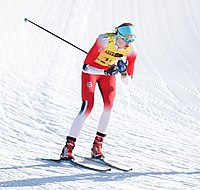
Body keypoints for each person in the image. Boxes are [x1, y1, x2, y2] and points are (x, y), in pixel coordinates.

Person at [60, 23, 137, 160]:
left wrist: (124, 72)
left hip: (108, 75)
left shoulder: (131, 51)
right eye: (126, 39)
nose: (129, 43)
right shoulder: (104, 40)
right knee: (87, 107)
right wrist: (105, 71)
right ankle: (68, 148)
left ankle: (97, 147)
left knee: (109, 107)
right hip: (93, 72)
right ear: (118, 35)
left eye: (132, 40)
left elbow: (127, 82)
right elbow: (86, 67)